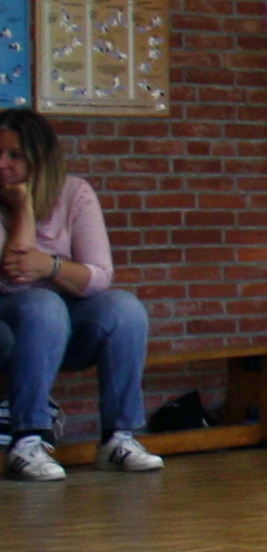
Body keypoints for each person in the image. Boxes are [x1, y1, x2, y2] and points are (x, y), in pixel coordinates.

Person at [0, 108, 163, 481]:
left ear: (40, 158)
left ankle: (118, 439)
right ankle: (27, 441)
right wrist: (22, 208)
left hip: (64, 325)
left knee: (125, 307)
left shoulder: (75, 193)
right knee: (42, 303)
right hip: (12, 324)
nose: (2, 164)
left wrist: (50, 266)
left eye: (14, 155)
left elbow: (99, 276)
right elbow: (11, 280)